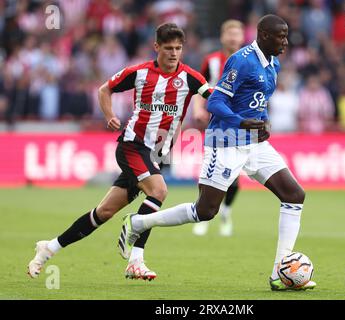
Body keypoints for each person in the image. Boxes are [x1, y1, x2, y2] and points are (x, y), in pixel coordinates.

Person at [118, 14, 316, 291]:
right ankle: (139, 222)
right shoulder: (241, 61)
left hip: (255, 144)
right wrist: (241, 122)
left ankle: (280, 273)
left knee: (294, 195)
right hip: (225, 141)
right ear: (263, 35)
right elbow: (216, 102)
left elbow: (255, 103)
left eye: (286, 35)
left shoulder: (274, 62)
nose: (285, 41)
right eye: (280, 36)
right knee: (205, 210)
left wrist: (262, 123)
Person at [27, 23, 212, 281]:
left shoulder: (190, 77)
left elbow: (212, 97)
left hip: (157, 153)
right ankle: (136, 260)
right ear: (156, 47)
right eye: (168, 48)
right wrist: (109, 115)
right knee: (158, 191)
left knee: (102, 213)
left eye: (178, 48)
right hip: (133, 146)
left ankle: (48, 249)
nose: (173, 53)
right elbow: (105, 89)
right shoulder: (139, 73)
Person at [192, 19, 245, 237]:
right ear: (222, 37)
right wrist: (197, 109)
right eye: (229, 33)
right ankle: (202, 214)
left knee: (233, 176)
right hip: (216, 123)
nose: (233, 37)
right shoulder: (212, 60)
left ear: (242, 37)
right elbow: (199, 87)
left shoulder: (250, 60)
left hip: (241, 124)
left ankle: (225, 211)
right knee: (208, 171)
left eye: (237, 33)